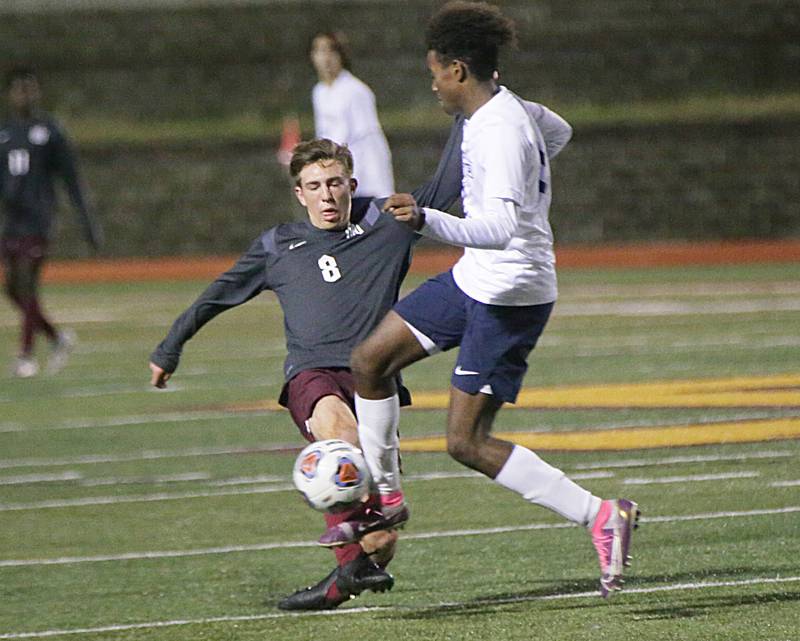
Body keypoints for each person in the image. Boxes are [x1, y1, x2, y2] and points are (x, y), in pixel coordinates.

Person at [324, 1, 639, 598]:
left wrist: (425, 218)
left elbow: (497, 228)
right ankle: (387, 496)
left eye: (436, 71)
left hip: (510, 296)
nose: (433, 83)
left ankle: (600, 515)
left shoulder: (499, 130)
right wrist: (530, 171)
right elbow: (560, 132)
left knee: (464, 442)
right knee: (369, 361)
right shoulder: (508, 111)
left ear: (459, 70)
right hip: (476, 278)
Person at [148, 125, 464, 610]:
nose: (327, 195)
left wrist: (473, 115)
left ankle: (338, 583)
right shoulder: (278, 245)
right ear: (299, 194)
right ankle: (347, 555)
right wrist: (171, 346)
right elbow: (218, 293)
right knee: (341, 441)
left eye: (335, 183)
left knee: (380, 543)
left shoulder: (387, 220)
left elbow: (445, 184)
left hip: (376, 379)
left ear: (352, 185)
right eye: (314, 186)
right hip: (313, 374)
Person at [0, 66, 101, 378]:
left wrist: (89, 224)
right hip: (11, 223)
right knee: (12, 288)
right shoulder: (4, 132)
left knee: (27, 282)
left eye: (30, 89)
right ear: (9, 95)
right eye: (19, 89)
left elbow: (71, 180)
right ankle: (57, 338)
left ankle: (25, 356)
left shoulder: (51, 131)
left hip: (39, 220)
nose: (24, 95)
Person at [310, 31, 394, 198]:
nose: (326, 58)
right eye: (320, 51)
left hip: (363, 180)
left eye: (331, 51)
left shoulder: (356, 91)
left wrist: (381, 189)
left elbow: (369, 140)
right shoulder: (319, 92)